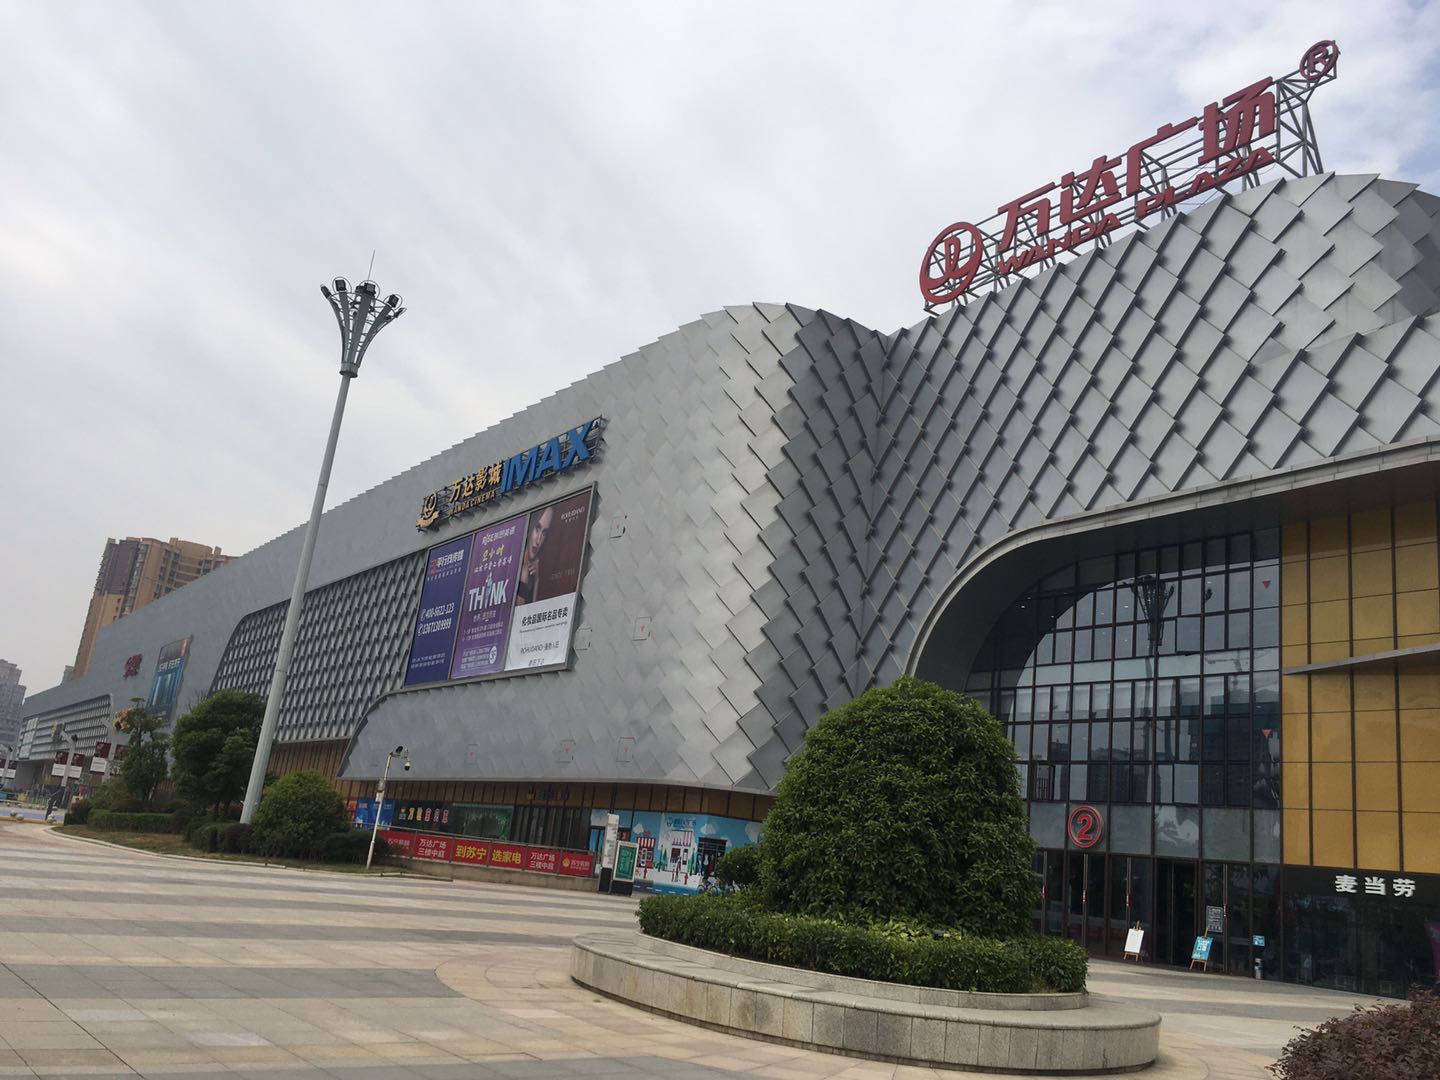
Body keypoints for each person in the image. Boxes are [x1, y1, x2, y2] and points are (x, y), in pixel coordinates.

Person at [514, 505, 554, 604]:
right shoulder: (515, 562)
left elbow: (533, 610)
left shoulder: (536, 568)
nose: (538, 540)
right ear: (530, 526)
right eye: (537, 528)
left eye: (544, 533)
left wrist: (536, 580)